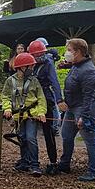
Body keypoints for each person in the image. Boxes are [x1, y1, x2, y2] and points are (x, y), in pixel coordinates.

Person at [58, 38, 95, 182]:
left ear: (78, 52)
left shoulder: (90, 72)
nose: (67, 53)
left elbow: (89, 97)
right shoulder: (77, 64)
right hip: (72, 106)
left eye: (69, 50)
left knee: (89, 140)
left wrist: (84, 116)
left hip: (86, 107)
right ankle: (65, 164)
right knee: (66, 135)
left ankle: (93, 171)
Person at [1, 53, 47, 177]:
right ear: (22, 67)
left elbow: (41, 98)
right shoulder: (10, 81)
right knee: (22, 137)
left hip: (31, 114)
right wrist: (7, 108)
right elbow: (5, 96)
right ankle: (25, 161)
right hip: (18, 116)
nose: (32, 69)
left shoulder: (34, 81)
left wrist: (41, 111)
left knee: (31, 138)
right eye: (30, 66)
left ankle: (34, 165)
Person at [28, 40, 63, 174]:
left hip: (45, 99)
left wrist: (59, 100)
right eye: (35, 55)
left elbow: (54, 82)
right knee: (27, 132)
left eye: (39, 54)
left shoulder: (48, 64)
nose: (37, 57)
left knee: (48, 132)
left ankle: (53, 162)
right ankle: (29, 161)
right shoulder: (32, 64)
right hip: (31, 100)